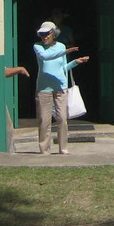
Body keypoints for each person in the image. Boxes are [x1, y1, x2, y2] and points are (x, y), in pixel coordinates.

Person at [34, 20, 89, 155]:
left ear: (53, 34)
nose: (44, 37)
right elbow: (45, 57)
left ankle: (63, 149)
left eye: (47, 34)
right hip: (43, 88)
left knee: (62, 120)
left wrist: (75, 62)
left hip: (60, 87)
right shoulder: (38, 46)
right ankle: (44, 150)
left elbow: (63, 68)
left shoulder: (61, 47)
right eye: (42, 34)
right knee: (44, 121)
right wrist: (64, 52)